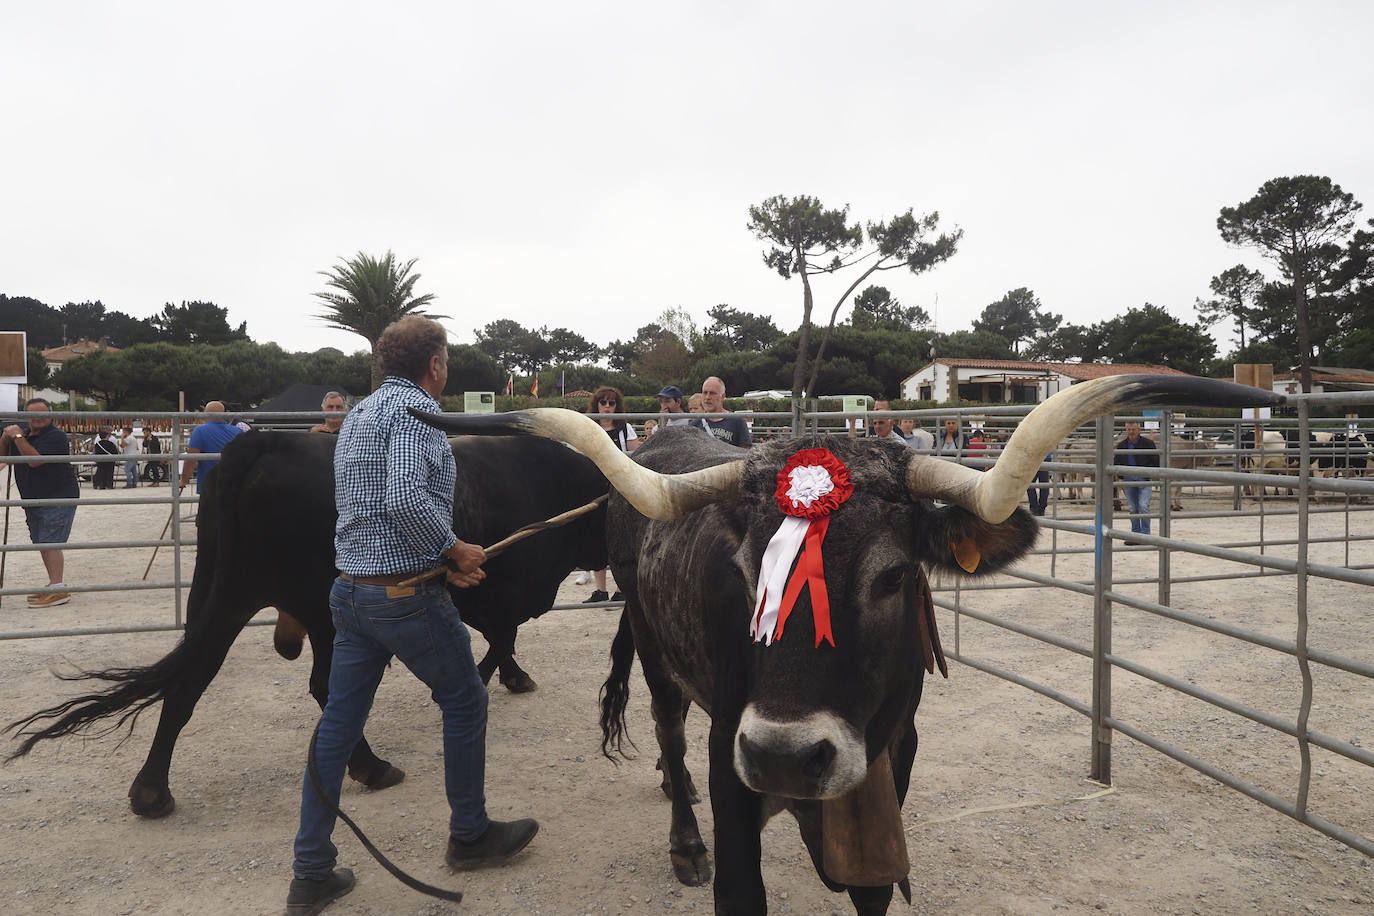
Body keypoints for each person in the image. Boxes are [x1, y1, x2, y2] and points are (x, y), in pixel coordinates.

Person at [285, 316, 536, 916]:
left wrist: (440, 561)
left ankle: (310, 872)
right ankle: (470, 836)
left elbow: (371, 506)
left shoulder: (361, 417)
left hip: (352, 594)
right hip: (404, 600)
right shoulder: (419, 416)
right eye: (445, 361)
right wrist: (454, 550)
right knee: (466, 701)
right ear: (435, 365)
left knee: (338, 729)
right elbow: (402, 498)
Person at [1, 398, 79, 608]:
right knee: (42, 541)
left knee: (50, 541)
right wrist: (6, 437)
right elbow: (1, 461)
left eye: (43, 414)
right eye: (33, 415)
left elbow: (35, 460)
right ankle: (54, 585)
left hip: (58, 496)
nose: (38, 419)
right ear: (26, 417)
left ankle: (58, 588)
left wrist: (17, 436)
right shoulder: (23, 436)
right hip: (33, 499)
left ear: (51, 415)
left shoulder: (56, 436)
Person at [584, 385, 636, 602]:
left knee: (621, 539)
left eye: (611, 403)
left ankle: (622, 589)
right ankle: (600, 589)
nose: (607, 407)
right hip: (594, 488)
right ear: (596, 404)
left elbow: (636, 455)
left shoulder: (626, 429)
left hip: (620, 488)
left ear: (618, 406)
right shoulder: (587, 427)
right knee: (597, 536)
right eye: (603, 402)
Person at [178, 401, 245, 493]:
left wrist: (184, 480)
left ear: (206, 414)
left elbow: (191, 458)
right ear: (224, 414)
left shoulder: (200, 431)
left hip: (209, 483)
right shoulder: (238, 431)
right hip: (234, 483)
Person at [1116, 421, 1159, 542]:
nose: (1131, 432)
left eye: (1133, 429)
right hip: (1129, 478)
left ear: (1139, 430)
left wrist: (1149, 472)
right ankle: (1135, 535)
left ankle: (1145, 535)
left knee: (1143, 506)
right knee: (1132, 508)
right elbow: (1117, 460)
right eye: (1129, 429)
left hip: (1144, 478)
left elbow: (1155, 460)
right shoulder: (1122, 445)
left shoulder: (1148, 444)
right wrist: (1122, 475)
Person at [696, 376, 751, 447]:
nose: (707, 397)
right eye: (705, 392)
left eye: (712, 393)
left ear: (723, 396)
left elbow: (746, 451)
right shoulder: (695, 425)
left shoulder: (737, 421)